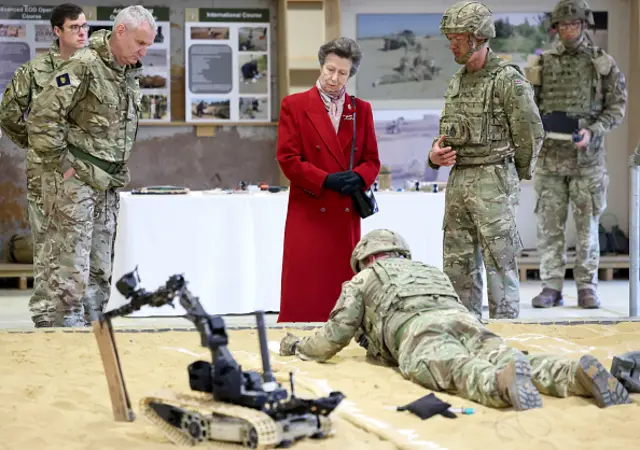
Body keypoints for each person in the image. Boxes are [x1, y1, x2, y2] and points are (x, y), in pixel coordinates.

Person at [279, 229, 632, 411]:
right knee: (510, 356)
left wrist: (299, 346)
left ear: (363, 259)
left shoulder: (362, 279)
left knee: (453, 366)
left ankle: (499, 386)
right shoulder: (427, 270)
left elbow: (334, 334)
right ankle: (573, 375)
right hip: (464, 319)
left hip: (416, 328)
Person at [26, 5, 156, 327]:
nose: (143, 51)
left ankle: (90, 338)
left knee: (99, 271)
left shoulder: (127, 71)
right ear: (120, 32)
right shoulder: (84, 64)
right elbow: (42, 118)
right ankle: (61, 341)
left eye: (148, 45)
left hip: (108, 182)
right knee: (69, 271)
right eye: (140, 42)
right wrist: (64, 165)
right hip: (77, 183)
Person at [427, 1, 544, 320]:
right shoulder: (457, 80)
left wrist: (512, 177)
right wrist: (435, 156)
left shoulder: (507, 79)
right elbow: (448, 131)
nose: (451, 43)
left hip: (494, 179)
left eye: (458, 37)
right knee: (457, 265)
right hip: (459, 182)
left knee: (500, 263)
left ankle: (505, 342)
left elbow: (530, 132)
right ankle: (466, 335)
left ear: (478, 37)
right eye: (449, 37)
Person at [524, 0, 627, 310]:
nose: (569, 30)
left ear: (584, 25)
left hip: (588, 162)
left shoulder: (601, 63)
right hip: (550, 160)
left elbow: (617, 106)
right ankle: (551, 287)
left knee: (587, 229)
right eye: (564, 25)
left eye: (575, 24)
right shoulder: (541, 64)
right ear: (556, 27)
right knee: (549, 228)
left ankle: (587, 286)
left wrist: (593, 130)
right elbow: (530, 107)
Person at [276, 37, 381, 322]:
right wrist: (324, 180)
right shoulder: (294, 105)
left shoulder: (361, 110)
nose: (334, 78)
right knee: (305, 286)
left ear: (351, 74)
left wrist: (358, 177)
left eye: (342, 73)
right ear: (321, 66)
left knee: (342, 286)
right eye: (329, 69)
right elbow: (287, 159)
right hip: (309, 208)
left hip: (344, 213)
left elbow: (372, 160)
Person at [0, 3, 89, 328]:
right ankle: (46, 317)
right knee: (49, 245)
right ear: (57, 31)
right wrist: (36, 144)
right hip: (47, 173)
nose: (82, 33)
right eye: (74, 27)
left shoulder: (93, 68)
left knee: (82, 248)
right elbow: (8, 114)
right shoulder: (35, 71)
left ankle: (76, 315)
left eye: (84, 26)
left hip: (84, 172)